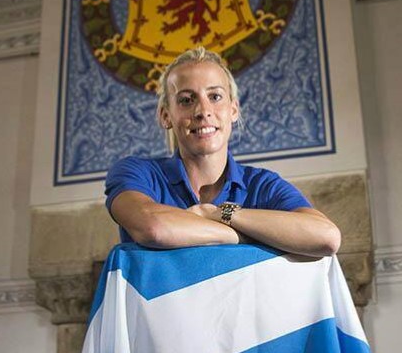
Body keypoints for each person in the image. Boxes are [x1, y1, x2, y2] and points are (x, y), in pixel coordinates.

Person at [105, 47, 340, 257]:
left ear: (233, 109)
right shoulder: (137, 173)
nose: (203, 111)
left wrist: (219, 213)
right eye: (186, 100)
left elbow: (326, 237)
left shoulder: (262, 184)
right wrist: (243, 236)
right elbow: (154, 227)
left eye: (215, 96)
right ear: (166, 116)